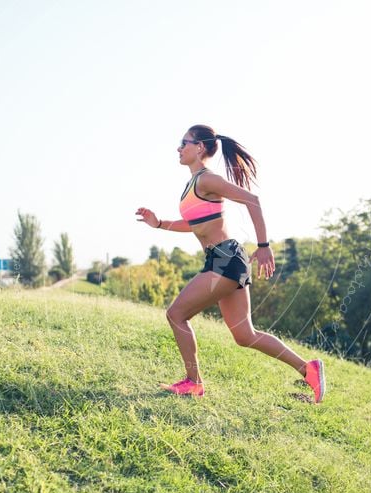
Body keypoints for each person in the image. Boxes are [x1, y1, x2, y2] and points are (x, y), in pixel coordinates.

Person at [135, 124, 326, 403]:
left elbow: (252, 200)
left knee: (176, 314)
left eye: (183, 142)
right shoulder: (193, 183)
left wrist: (263, 246)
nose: (178, 148)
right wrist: (160, 223)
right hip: (223, 260)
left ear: (199, 147)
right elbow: (196, 224)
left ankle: (193, 383)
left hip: (225, 260)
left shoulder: (207, 180)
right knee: (244, 335)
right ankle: (308, 369)